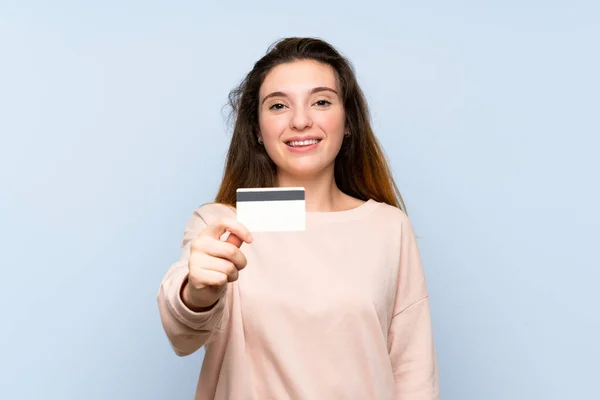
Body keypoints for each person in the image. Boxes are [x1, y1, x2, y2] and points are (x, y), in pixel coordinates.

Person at [157, 37, 439, 400]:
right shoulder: (222, 225)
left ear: (348, 120)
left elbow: (414, 372)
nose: (301, 121)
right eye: (278, 106)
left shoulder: (389, 227)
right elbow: (183, 334)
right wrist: (196, 292)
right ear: (257, 129)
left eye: (321, 102)